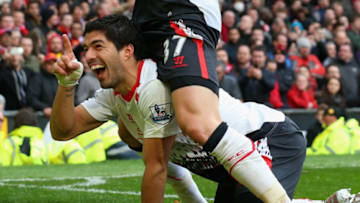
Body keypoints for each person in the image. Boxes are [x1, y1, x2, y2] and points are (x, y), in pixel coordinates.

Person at [51, 14, 303, 203]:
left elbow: (157, 168)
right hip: (227, 163)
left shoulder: (152, 86)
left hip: (268, 139)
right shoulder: (113, 96)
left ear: (127, 51)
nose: (88, 56)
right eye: (85, 49)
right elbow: (63, 130)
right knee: (126, 133)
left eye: (97, 46)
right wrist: (67, 84)